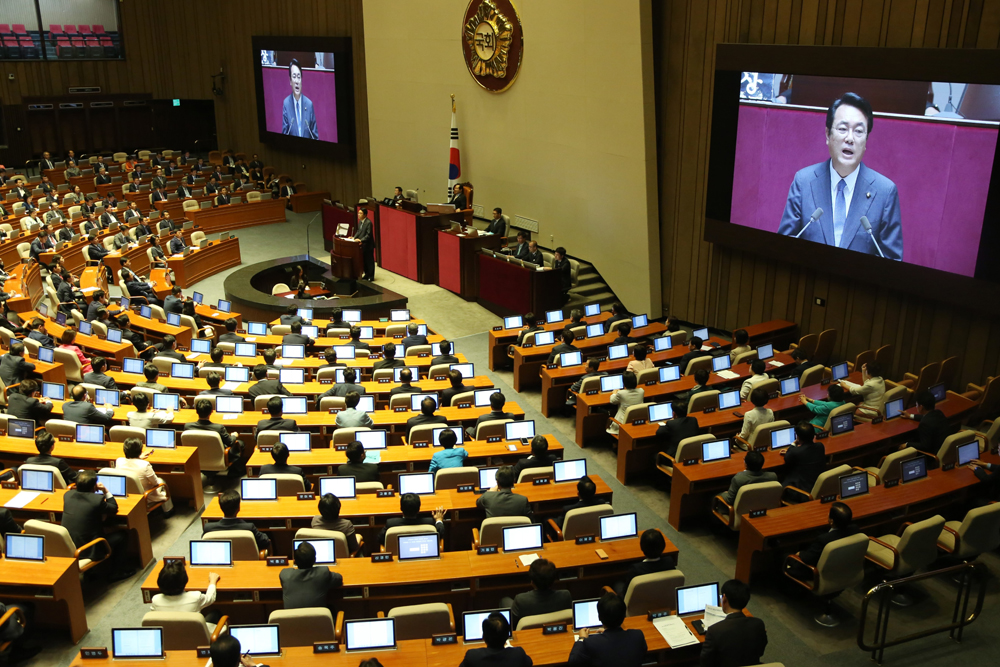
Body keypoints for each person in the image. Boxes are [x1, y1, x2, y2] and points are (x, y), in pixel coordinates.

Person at [778, 92, 902, 260]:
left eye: (859, 131)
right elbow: (784, 248)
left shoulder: (885, 192)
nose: (850, 138)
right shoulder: (804, 182)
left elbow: (891, 261)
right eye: (843, 129)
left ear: (866, 141)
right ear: (828, 135)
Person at [61, 470, 134, 581]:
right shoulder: (96, 500)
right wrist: (105, 491)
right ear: (94, 487)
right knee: (122, 535)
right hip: (89, 549)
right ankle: (116, 572)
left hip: (70, 545)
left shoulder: (67, 495)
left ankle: (91, 572)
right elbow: (113, 508)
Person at [699, 579, 768, 667]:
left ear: (724, 598)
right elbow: (760, 652)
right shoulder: (759, 624)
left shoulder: (714, 630)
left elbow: (705, 662)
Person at [567, 592, 647, 667]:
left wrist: (582, 639)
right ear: (624, 616)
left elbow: (573, 662)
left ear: (599, 617)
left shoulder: (590, 643)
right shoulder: (638, 636)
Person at [786, 502, 858, 581]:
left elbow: (808, 558)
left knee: (782, 556)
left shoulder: (823, 540)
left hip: (815, 573)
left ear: (831, 521)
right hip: (843, 570)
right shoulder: (855, 530)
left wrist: (800, 553)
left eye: (829, 514)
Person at [499, 558, 572, 629]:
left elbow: (512, 622)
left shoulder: (521, 600)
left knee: (504, 600)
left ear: (532, 582)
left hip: (526, 633)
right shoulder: (565, 595)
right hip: (555, 630)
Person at [151, 560, 220, 624]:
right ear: (185, 580)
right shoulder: (195, 597)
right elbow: (211, 598)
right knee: (215, 613)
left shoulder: (156, 600)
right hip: (194, 633)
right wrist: (212, 581)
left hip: (168, 633)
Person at [280, 540, 343, 609]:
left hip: (291, 616)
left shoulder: (285, 574)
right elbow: (339, 579)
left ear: (294, 561)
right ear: (315, 560)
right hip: (318, 616)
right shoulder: (323, 573)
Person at [116, 437, 174, 512]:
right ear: (140, 451)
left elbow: (131, 462)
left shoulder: (119, 461)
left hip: (128, 495)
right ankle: (168, 510)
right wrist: (138, 459)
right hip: (145, 496)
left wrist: (138, 458)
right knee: (161, 481)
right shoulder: (145, 465)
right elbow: (155, 483)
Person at [613, 529, 676, 597]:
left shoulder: (636, 570)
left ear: (641, 547)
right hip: (663, 598)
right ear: (663, 546)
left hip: (638, 602)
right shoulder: (669, 562)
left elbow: (626, 593)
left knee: (617, 584)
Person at [203, 489, 270, 551]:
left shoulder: (208, 528)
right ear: (238, 508)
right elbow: (265, 542)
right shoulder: (249, 528)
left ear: (221, 508)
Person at [459, 612, 531, 667]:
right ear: (507, 636)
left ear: (483, 637)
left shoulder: (472, 657)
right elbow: (529, 663)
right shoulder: (518, 654)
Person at [378, 493, 446, 546]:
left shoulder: (391, 524)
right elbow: (440, 533)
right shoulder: (429, 522)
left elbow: (380, 539)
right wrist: (439, 520)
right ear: (419, 509)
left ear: (401, 508)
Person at [902, 390, 951, 455]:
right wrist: (910, 416)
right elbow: (926, 417)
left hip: (934, 455)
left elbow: (925, 446)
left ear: (921, 407)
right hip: (946, 450)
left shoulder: (925, 423)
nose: (916, 407)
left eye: (917, 405)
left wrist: (907, 444)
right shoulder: (938, 413)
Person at [780, 422, 826, 491]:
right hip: (816, 484)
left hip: (801, 489)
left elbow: (787, 458)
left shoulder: (795, 451)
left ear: (798, 437)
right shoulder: (820, 446)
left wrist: (793, 444)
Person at [282, 58, 319, 139]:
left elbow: (315, 136)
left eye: (299, 77)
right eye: (294, 77)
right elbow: (284, 134)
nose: (297, 81)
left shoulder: (309, 104)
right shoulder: (286, 104)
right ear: (290, 81)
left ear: (301, 80)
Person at [608, 371, 643, 436]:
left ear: (624, 383)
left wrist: (614, 393)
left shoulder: (621, 393)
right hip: (636, 421)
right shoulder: (641, 391)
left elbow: (612, 401)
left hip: (622, 423)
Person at [354, 206, 376, 281]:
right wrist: (354, 238)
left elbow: (368, 235)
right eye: (358, 213)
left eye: (360, 213)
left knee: (369, 261)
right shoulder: (360, 222)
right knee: (364, 261)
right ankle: (366, 274)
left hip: (368, 245)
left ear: (365, 215)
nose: (358, 215)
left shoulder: (368, 223)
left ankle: (371, 276)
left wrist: (360, 240)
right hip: (362, 245)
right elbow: (358, 231)